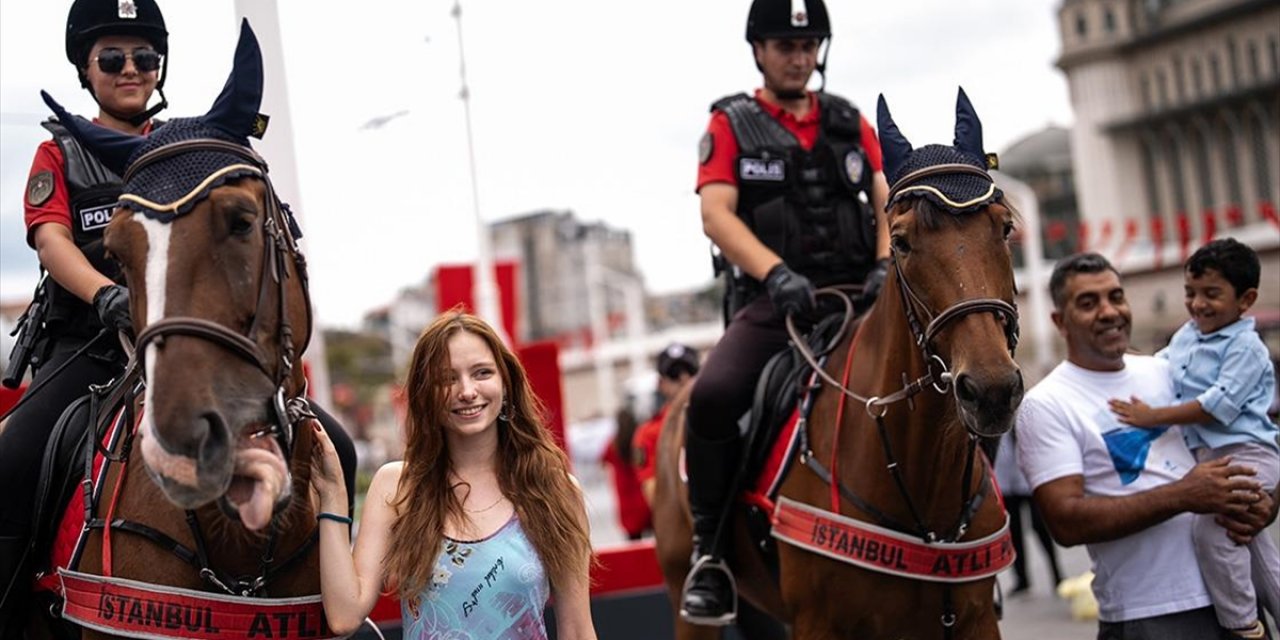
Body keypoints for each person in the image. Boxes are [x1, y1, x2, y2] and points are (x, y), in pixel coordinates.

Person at [0, 4, 357, 633]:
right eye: (112, 57)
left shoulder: (183, 149)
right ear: (86, 68)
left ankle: (333, 606)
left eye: (146, 57)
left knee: (340, 448)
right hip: (88, 342)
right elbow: (53, 242)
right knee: (13, 459)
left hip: (183, 341)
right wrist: (108, 295)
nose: (131, 69)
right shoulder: (56, 152)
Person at [682, 0, 891, 625]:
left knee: (953, 370)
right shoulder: (730, 124)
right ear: (759, 51)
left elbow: (888, 196)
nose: (799, 58)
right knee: (714, 396)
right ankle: (711, 555)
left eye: (808, 46)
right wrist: (775, 273)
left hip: (861, 298)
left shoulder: (851, 120)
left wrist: (884, 264)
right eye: (784, 46)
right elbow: (715, 213)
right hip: (778, 306)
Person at [1016, 252, 1278, 640]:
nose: (1109, 312)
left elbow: (1248, 440)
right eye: (1088, 303)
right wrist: (1184, 495)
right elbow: (1065, 522)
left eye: (1116, 297)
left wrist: (1266, 505)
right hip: (1151, 616)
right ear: (1060, 321)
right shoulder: (1046, 405)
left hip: (1235, 600)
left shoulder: (1166, 369)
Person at [310, 310, 596, 638]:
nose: (467, 391)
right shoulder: (397, 487)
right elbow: (344, 616)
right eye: (447, 379)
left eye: (482, 373)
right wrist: (332, 494)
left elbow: (577, 630)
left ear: (506, 382)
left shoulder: (555, 491)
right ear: (426, 393)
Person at [1108, 238, 1279, 638]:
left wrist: (1153, 417)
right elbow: (1156, 368)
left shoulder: (1246, 348)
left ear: (1246, 299)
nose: (1198, 303)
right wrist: (1111, 361)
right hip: (1213, 457)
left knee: (1212, 531)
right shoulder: (1187, 334)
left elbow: (1213, 405)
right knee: (1253, 544)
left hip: (1249, 453)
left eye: (1211, 294)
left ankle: (1242, 626)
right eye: (1190, 292)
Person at [994, 431, 1063, 595]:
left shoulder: (1025, 415)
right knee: (1013, 532)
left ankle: (1057, 574)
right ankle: (1022, 579)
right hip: (1005, 482)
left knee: (1040, 526)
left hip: (1030, 481)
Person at [632, 343, 700, 507]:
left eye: (690, 372)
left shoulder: (715, 418)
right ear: (661, 383)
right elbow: (655, 497)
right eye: (674, 374)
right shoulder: (649, 433)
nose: (684, 379)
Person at [602, 406, 649, 541]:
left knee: (634, 542)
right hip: (642, 494)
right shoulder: (639, 440)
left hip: (626, 499)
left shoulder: (613, 444)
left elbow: (603, 461)